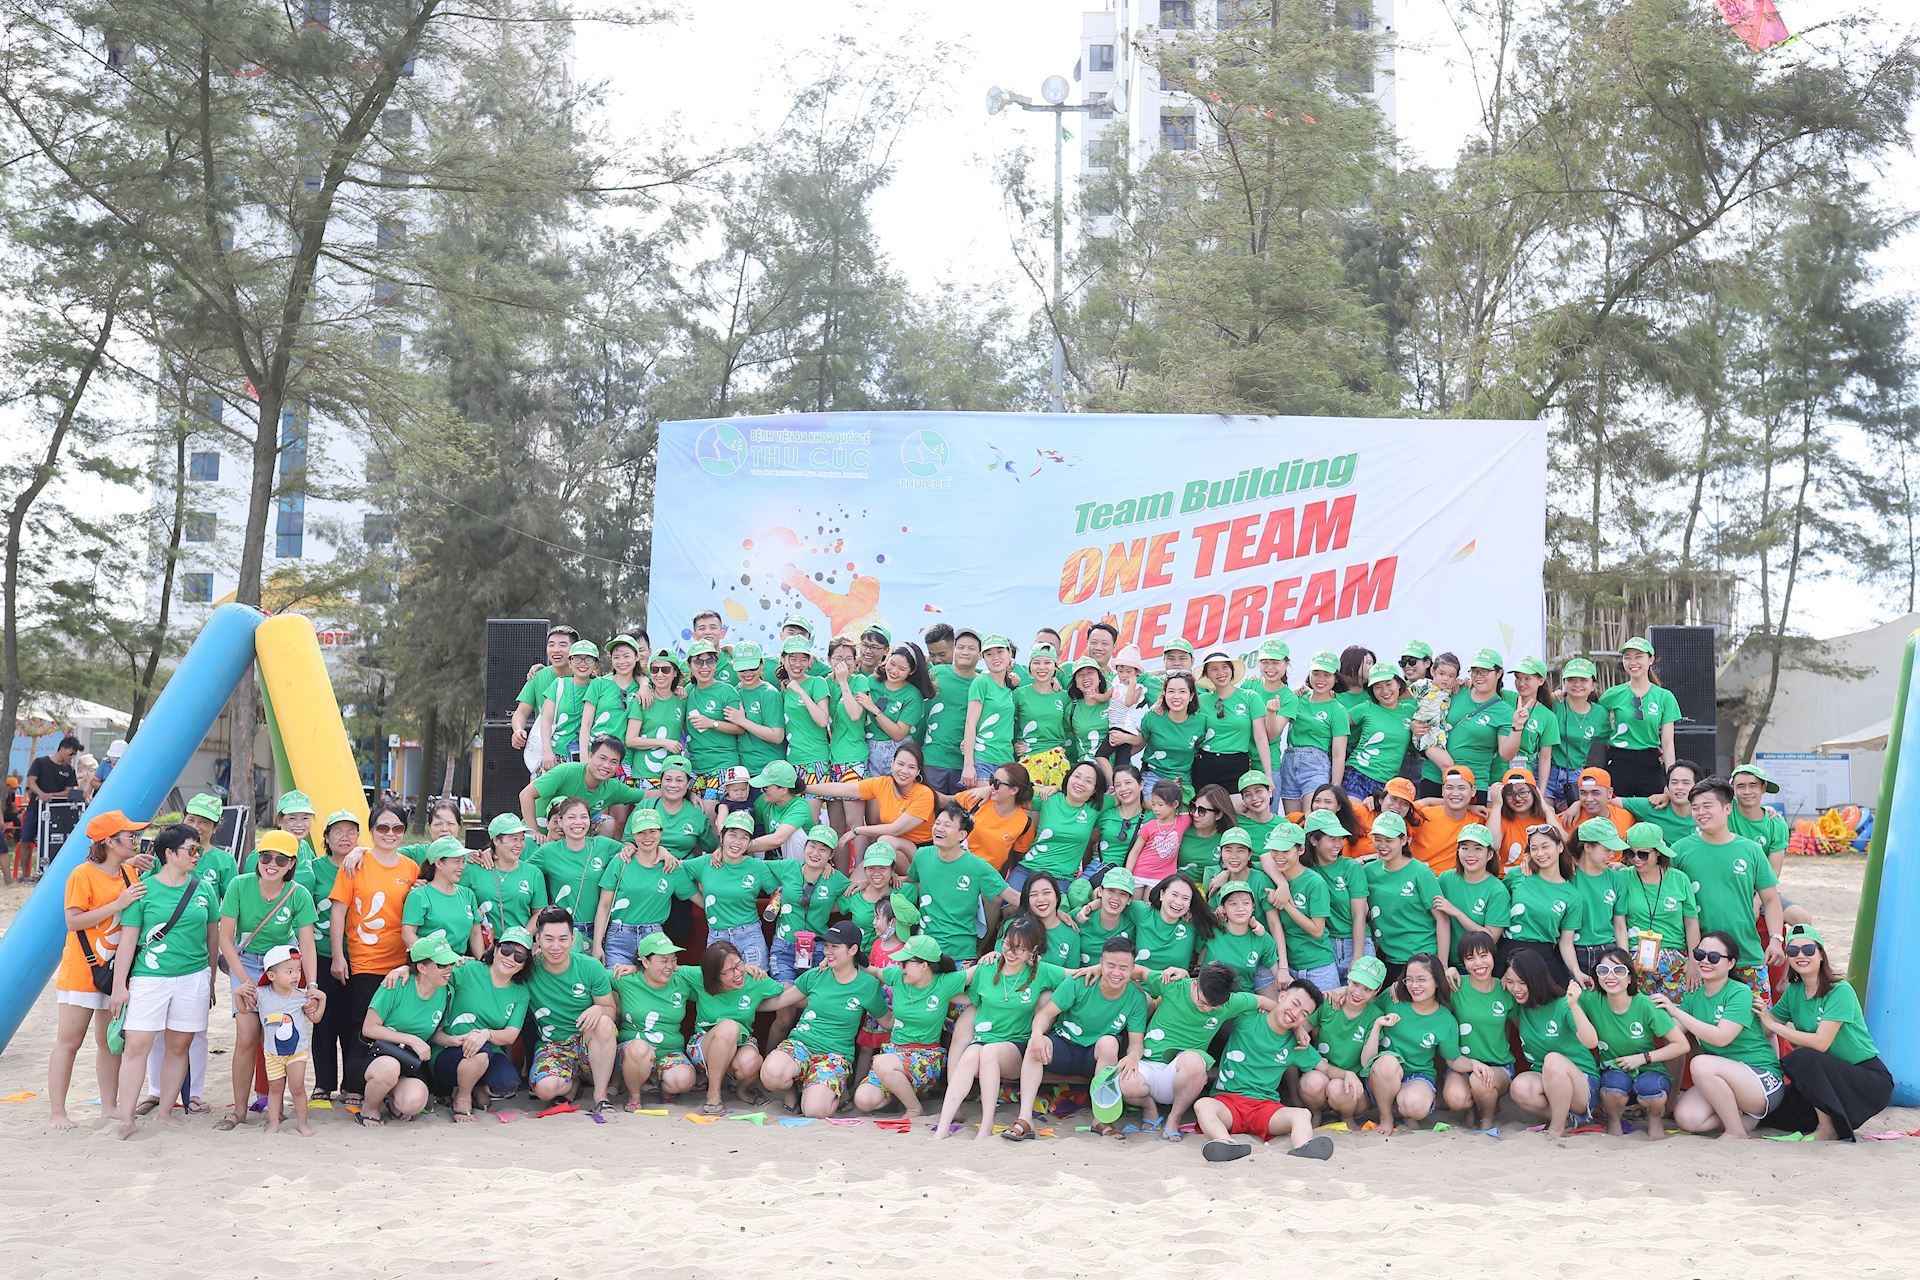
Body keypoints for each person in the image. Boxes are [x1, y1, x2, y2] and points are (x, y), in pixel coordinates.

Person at [107, 823, 218, 1140]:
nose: (197, 855)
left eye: (198, 849)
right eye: (191, 849)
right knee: (137, 1045)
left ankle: (167, 1111)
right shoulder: (143, 890)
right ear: (169, 853)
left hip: (194, 976)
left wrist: (210, 979)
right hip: (150, 978)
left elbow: (212, 937)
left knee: (179, 1046)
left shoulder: (204, 889)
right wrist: (119, 987)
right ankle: (126, 1118)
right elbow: (128, 941)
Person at [48, 810, 150, 1131]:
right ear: (109, 841)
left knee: (109, 1042)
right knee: (69, 1042)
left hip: (115, 974)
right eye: (129, 836)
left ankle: (109, 1106)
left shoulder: (129, 873)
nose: (135, 840)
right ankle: (57, 1112)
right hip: (82, 970)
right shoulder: (82, 875)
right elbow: (73, 921)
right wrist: (118, 903)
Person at [216, 829, 320, 1130]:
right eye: (266, 857)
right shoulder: (239, 885)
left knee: (282, 1033)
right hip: (246, 962)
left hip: (283, 965)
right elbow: (225, 939)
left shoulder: (298, 894)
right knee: (246, 1035)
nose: (271, 864)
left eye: (280, 859)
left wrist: (311, 985)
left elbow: (307, 944)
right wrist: (243, 980)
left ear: (292, 864)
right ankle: (239, 1110)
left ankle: (277, 1105)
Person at [1756, 923, 1893, 1141]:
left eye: (1808, 949)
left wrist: (1775, 1027)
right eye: (1793, 950)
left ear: (1821, 954)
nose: (1801, 955)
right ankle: (1828, 1121)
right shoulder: (1794, 991)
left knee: (1802, 1057)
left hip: (1865, 1078)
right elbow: (1764, 1027)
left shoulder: (1840, 990)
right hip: (1825, 1080)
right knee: (1772, 1112)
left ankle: (1827, 1129)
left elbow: (1821, 1043)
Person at [327, 800, 419, 1111]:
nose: (390, 833)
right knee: (360, 1025)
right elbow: (338, 912)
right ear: (371, 830)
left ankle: (389, 1085)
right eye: (382, 827)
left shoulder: (410, 868)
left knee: (395, 1025)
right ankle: (355, 1086)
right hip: (365, 962)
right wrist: (338, 956)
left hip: (400, 964)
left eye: (397, 828)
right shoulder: (354, 864)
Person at [1011, 936, 1149, 1139]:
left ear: (1132, 969)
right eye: (1111, 965)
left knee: (1110, 1042)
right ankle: (1024, 1119)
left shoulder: (1136, 997)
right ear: (1100, 963)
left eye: (1123, 968)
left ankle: (1101, 1119)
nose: (1116, 973)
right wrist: (1037, 1034)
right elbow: (1045, 1015)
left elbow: (1136, 1042)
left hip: (1096, 1057)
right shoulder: (1080, 982)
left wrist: (1133, 1056)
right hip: (1065, 1045)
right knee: (1036, 1043)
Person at [1123, 961, 1275, 1139]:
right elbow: (1140, 971)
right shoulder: (1174, 985)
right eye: (1203, 1002)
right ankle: (1149, 1108)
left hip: (1180, 1076)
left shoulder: (1230, 1003)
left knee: (1194, 1061)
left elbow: (1264, 1002)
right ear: (1195, 985)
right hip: (1147, 1067)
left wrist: (1298, 1029)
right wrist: (1099, 968)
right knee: (1125, 1083)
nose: (1208, 1008)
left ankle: (1174, 1119)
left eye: (1214, 1006)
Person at [1661, 929, 1784, 1140]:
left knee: (1700, 1063)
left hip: (1761, 1080)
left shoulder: (1739, 992)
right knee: (1687, 1118)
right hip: (1721, 1078)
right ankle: (1745, 1120)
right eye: (1700, 955)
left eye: (1714, 957)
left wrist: (1676, 1011)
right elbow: (1672, 1033)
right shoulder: (1693, 997)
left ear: (1731, 963)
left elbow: (1721, 1037)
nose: (1705, 961)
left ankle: (1735, 1131)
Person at [1196, 981, 1335, 1163]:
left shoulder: (1297, 1043)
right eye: (1295, 1004)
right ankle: (1225, 1143)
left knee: (1302, 1115)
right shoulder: (1247, 1016)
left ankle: (1303, 1148)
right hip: (1229, 1102)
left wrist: (1348, 1075)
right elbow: (1227, 1000)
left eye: (1304, 1014)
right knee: (1203, 1105)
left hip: (1265, 1108)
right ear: (1282, 996)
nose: (1296, 1014)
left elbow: (1325, 1068)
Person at [1670, 776, 1783, 999]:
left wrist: (1776, 939)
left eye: (1707, 806)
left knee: (1759, 1017)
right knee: (1699, 1018)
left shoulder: (1751, 850)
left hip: (1747, 955)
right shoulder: (1679, 851)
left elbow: (1770, 900)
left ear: (1727, 808)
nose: (1700, 812)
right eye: (1695, 807)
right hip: (1701, 960)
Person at [760, 919, 887, 1118]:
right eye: (827, 946)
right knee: (770, 1074)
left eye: (835, 947)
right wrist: (741, 1006)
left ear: (853, 950)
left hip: (835, 1054)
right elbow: (780, 1001)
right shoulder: (815, 975)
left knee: (814, 1110)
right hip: (801, 1044)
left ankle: (834, 1089)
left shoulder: (868, 985)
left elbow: (887, 1021)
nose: (828, 951)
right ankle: (792, 1092)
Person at [1570, 944, 1688, 1139]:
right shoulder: (1590, 1000)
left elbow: (1681, 1045)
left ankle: (1655, 1119)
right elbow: (1562, 1005)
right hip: (1613, 1070)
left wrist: (1642, 1058)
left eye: (1619, 970)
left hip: (1648, 1068)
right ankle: (1614, 1120)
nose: (1610, 976)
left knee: (1651, 1089)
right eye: (1603, 970)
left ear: (1630, 977)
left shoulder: (1645, 1004)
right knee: (1613, 1088)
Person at [854, 934, 971, 1118]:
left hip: (925, 1056)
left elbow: (981, 972)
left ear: (924, 965)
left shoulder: (944, 982)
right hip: (894, 1052)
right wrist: (854, 956)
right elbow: (874, 971)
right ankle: (900, 1094)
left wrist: (993, 956)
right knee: (863, 1100)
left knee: (882, 1062)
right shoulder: (897, 976)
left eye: (905, 963)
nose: (900, 967)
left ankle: (914, 1109)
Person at [525, 906, 618, 1114]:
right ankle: (572, 1083)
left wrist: (599, 1009)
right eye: (549, 939)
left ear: (572, 939)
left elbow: (611, 1010)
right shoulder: (528, 969)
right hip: (554, 1045)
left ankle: (600, 1096)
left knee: (604, 1023)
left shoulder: (590, 967)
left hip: (587, 1042)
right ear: (538, 939)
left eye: (563, 939)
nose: (556, 946)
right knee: (545, 1090)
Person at [358, 936, 459, 1125]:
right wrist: (412, 1039)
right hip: (378, 1056)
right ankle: (369, 1108)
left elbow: (434, 1033)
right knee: (389, 1068)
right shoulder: (396, 983)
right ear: (422, 967)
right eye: (442, 965)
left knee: (414, 1102)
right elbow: (369, 1028)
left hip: (410, 1061)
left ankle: (391, 1100)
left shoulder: (447, 992)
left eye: (451, 963)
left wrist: (454, 1040)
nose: (449, 969)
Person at [1361, 952, 1465, 1135]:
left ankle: (1403, 1110)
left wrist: (1477, 1065)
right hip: (1383, 1074)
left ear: (1437, 981)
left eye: (1421, 979)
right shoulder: (1393, 997)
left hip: (1417, 1075)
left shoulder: (1445, 1019)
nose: (1414, 985)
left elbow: (1452, 1059)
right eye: (1409, 979)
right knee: (1388, 1063)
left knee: (1414, 1106)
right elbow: (1363, 1005)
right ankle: (1386, 1117)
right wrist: (1341, 992)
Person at [437, 925, 533, 1120]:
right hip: (451, 1047)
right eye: (506, 950)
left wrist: (486, 1034)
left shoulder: (521, 992)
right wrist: (405, 968)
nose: (510, 958)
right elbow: (433, 976)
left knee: (507, 1084)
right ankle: (463, 1098)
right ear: (495, 949)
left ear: (524, 964)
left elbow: (511, 1034)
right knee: (480, 1053)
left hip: (490, 1049)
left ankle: (476, 1086)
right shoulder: (468, 969)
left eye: (519, 956)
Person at [1504, 948, 1600, 1138]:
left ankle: (1556, 1128)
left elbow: (1591, 1042)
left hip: (1582, 1084)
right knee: (1519, 1087)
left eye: (1522, 982)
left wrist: (1574, 1006)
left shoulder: (1563, 1003)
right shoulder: (1518, 1005)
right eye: (1510, 982)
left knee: (1553, 1060)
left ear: (1536, 979)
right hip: (1546, 1081)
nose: (1516, 988)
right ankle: (1567, 1118)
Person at [689, 940, 792, 1114]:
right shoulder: (698, 976)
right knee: (729, 1026)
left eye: (739, 965)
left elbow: (785, 994)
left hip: (741, 1041)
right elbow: (668, 969)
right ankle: (713, 1093)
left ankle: (742, 1090)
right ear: (713, 974)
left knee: (751, 1062)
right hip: (704, 1044)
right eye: (729, 971)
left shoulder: (754, 979)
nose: (737, 974)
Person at [909, 803, 1019, 962]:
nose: (939, 828)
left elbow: (1013, 896)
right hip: (924, 949)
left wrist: (1050, 907)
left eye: (947, 825)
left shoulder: (978, 866)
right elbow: (910, 881)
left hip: (961, 953)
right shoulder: (922, 855)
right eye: (937, 823)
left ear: (962, 835)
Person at [607, 933, 700, 1108]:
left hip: (669, 1051)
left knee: (684, 1080)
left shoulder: (681, 980)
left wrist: (746, 969)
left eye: (673, 960)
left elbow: (714, 973)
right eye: (664, 961)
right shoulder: (625, 979)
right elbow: (591, 975)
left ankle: (664, 1088)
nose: (670, 966)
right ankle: (634, 1096)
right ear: (645, 962)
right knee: (639, 1048)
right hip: (632, 1053)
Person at [592, 809, 693, 969]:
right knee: (616, 979)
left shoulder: (671, 866)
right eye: (641, 832)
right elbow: (604, 906)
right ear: (633, 835)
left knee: (656, 980)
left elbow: (697, 897)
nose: (647, 837)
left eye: (652, 831)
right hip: (619, 934)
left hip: (654, 935)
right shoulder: (621, 861)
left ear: (661, 832)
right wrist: (597, 945)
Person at [307, 810, 361, 1102]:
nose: (344, 837)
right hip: (323, 955)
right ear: (326, 837)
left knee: (355, 1021)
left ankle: (351, 1083)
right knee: (324, 1020)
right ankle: (323, 1084)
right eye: (337, 831)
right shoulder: (314, 869)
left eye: (351, 831)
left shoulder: (366, 864)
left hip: (360, 956)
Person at [1418, 648, 1515, 803]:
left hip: (1472, 784)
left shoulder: (1505, 711)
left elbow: (1506, 754)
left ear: (1499, 673)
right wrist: (1414, 725)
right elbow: (1424, 708)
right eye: (1475, 671)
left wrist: (1518, 728)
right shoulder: (1456, 689)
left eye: (1485, 671)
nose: (1479, 675)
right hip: (1434, 777)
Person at [1298, 955, 1386, 1124]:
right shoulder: (1328, 1003)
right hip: (1322, 1071)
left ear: (1377, 990)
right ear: (1349, 978)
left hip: (1353, 1087)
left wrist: (1376, 1027)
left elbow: (1366, 1061)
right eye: (1355, 984)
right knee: (1312, 1082)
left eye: (1367, 989)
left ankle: (1347, 1118)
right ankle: (1316, 1114)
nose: (1358, 993)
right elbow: (1301, 1029)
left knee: (1338, 1089)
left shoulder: (1374, 1015)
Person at [1616, 821, 1699, 1001]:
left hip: (1675, 959)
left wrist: (1694, 963)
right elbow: (1619, 924)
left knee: (1675, 1012)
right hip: (1635, 958)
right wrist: (1624, 962)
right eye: (1630, 853)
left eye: (1643, 854)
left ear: (1659, 852)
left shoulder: (1679, 879)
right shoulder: (1622, 877)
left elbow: (1691, 924)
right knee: (1640, 1013)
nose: (1636, 859)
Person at [1442, 931, 1516, 1129]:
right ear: (1463, 962)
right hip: (1463, 1064)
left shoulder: (1505, 989)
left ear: (1493, 956)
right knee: (1455, 1098)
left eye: (1484, 955)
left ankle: (1487, 1119)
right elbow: (1424, 988)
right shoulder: (1456, 986)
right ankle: (1471, 1110)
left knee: (1480, 1080)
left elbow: (1521, 1025)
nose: (1478, 963)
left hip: (1498, 1065)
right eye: (1470, 958)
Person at [1284, 809, 1367, 980]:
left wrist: (1357, 957)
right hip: (1326, 945)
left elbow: (1359, 915)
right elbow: (1267, 858)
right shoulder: (1304, 869)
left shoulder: (1350, 867)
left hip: (1355, 942)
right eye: (1332, 839)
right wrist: (1281, 884)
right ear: (1313, 840)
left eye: (1340, 839)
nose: (1338, 844)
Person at [685, 811, 776, 968]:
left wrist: (773, 908)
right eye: (732, 835)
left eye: (744, 838)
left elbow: (777, 890)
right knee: (718, 981)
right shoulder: (705, 863)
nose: (737, 842)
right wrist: (700, 900)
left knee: (755, 980)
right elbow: (676, 872)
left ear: (749, 842)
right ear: (722, 836)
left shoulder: (757, 866)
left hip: (750, 935)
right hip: (717, 936)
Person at [1362, 812, 1440, 985]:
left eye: (1389, 840)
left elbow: (1442, 919)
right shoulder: (1368, 871)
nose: (1382, 845)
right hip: (1387, 958)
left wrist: (1441, 964)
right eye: (1377, 839)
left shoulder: (1421, 872)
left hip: (1422, 957)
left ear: (1404, 840)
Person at [253, 944, 324, 1136]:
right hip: (272, 1053)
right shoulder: (262, 994)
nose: (296, 976)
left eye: (298, 970)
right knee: (275, 1088)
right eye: (289, 971)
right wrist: (237, 993)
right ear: (271, 975)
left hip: (296, 1052)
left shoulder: (302, 996)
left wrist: (323, 999)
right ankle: (273, 1124)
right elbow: (244, 1009)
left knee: (297, 1087)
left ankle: (303, 1124)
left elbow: (315, 1018)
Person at [1501, 822, 1581, 988]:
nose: (1540, 853)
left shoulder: (1572, 895)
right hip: (1509, 951)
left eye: (1545, 847)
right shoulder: (1518, 875)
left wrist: (1576, 971)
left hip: (1543, 955)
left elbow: (1566, 942)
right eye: (1534, 848)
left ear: (1560, 847)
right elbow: (1496, 903)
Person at [1596, 636, 1680, 797]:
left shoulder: (1665, 697)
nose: (1632, 662)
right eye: (1627, 657)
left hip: (1650, 762)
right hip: (1619, 760)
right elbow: (1592, 717)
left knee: (1654, 807)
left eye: (1638, 657)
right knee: (1616, 808)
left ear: (1651, 660)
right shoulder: (1613, 694)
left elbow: (1668, 742)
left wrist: (1672, 779)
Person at [521, 735, 645, 840]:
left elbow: (645, 795)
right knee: (564, 803)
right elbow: (526, 794)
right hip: (539, 833)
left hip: (571, 837)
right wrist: (534, 832)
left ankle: (592, 859)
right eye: (602, 758)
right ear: (590, 756)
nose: (606, 765)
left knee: (607, 823)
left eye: (613, 762)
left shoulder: (613, 787)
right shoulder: (567, 771)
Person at [1264, 821, 1339, 990]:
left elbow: (1317, 930)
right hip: (1290, 967)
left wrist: (1286, 904)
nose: (1278, 856)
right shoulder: (1274, 875)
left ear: (1301, 850)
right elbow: (1263, 858)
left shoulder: (1314, 882)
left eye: (1286, 851)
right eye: (1275, 850)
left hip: (1318, 967)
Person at [463, 814, 549, 953]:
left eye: (522, 839)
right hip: (480, 947)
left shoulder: (533, 873)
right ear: (496, 840)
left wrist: (520, 940)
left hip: (520, 948)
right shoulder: (473, 868)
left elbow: (539, 912)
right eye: (513, 839)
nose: (519, 845)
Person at [1015, 759, 1105, 892]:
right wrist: (989, 789)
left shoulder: (1095, 807)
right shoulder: (1049, 797)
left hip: (1061, 878)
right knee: (1007, 902)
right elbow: (1012, 796)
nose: (1080, 783)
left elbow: (1124, 796)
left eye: (1088, 781)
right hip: (1028, 868)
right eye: (1077, 776)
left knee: (1050, 905)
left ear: (1094, 790)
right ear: (1068, 778)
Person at [1193, 650, 1273, 795]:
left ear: (1232, 669)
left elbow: (1261, 738)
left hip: (1237, 766)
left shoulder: (1250, 697)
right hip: (1205, 765)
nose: (1220, 673)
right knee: (1205, 809)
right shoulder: (1201, 700)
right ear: (1207, 674)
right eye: (1214, 669)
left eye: (1224, 667)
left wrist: (1268, 775)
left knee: (1237, 808)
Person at [1279, 651, 1349, 811]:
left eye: (1327, 675)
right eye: (1316, 673)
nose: (1320, 679)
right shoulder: (1297, 699)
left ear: (1336, 678)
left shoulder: (1338, 710)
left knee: (1313, 818)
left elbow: (1339, 754)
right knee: (1293, 821)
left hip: (1316, 766)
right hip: (1289, 762)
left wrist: (1334, 788)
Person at [1434, 823, 1508, 966]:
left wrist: (1457, 913)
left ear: (1490, 854)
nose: (1470, 854)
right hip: (1444, 962)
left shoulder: (1497, 890)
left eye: (1478, 849)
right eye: (1464, 848)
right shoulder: (1446, 878)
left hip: (1477, 966)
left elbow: (1490, 938)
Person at [681, 639, 745, 803]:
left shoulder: (726, 691)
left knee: (711, 811)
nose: (705, 667)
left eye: (710, 661)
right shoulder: (687, 691)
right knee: (694, 812)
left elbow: (740, 728)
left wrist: (712, 723)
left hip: (722, 764)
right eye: (698, 662)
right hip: (695, 767)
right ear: (689, 665)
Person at [1343, 662, 1417, 802]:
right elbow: (1336, 724)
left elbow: (1438, 699)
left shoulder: (1411, 710)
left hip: (1388, 784)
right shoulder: (1366, 708)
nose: (1385, 691)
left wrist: (1459, 684)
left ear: (1399, 684)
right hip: (1357, 773)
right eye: (1378, 686)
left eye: (1389, 684)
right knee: (1356, 812)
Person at [401, 837, 483, 960]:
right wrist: (438, 960)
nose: (462, 866)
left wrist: (480, 962)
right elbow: (408, 934)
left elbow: (475, 933)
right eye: (457, 861)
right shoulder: (419, 895)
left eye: (463, 861)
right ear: (439, 863)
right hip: (430, 964)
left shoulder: (468, 894)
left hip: (461, 963)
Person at [921, 628, 983, 793]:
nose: (965, 652)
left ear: (980, 654)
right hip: (933, 759)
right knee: (929, 806)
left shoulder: (984, 683)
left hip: (965, 764)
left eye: (971, 648)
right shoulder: (937, 672)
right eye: (960, 647)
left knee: (962, 809)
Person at [1568, 818, 1629, 981]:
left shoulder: (1617, 879)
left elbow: (1620, 926)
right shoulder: (1567, 876)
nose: (1612, 855)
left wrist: (1624, 962)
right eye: (1607, 850)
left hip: (1608, 951)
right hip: (1573, 950)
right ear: (1587, 847)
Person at [861, 642, 933, 778]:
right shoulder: (871, 681)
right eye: (892, 663)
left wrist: (874, 709)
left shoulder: (912, 695)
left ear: (911, 671)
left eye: (902, 669)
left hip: (897, 751)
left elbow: (899, 734)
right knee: (871, 790)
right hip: (868, 747)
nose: (894, 671)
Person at [1125, 671, 1203, 794]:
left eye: (1182, 691)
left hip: (1183, 780)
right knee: (1155, 804)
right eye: (1171, 691)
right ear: (1164, 694)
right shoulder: (1152, 717)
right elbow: (1140, 743)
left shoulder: (1201, 721)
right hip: (1153, 776)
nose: (1176, 696)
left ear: (1191, 696)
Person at [956, 761, 1037, 875]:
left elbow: (1017, 857)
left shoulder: (1024, 823)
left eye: (997, 783)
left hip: (988, 876)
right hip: (959, 865)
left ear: (1014, 790)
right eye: (992, 780)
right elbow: (945, 802)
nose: (992, 786)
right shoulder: (978, 799)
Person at [18, 734, 81, 880]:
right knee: (26, 838)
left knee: (52, 840)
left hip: (57, 811)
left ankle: (49, 872)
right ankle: (25, 874)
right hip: (35, 807)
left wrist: (52, 795)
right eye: (71, 753)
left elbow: (69, 791)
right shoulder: (40, 762)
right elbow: (31, 782)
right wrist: (41, 794)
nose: (71, 757)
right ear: (63, 749)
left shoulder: (69, 770)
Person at [510, 624, 576, 762]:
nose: (556, 650)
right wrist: (518, 730)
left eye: (563, 645)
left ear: (574, 648)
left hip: (577, 752)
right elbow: (520, 713)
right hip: (544, 754)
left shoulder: (586, 679)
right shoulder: (537, 677)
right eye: (551, 645)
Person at [1204, 881, 1284, 992]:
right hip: (1209, 993)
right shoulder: (1211, 930)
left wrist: (1283, 972)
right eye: (1233, 904)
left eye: (1246, 903)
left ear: (1253, 906)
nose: (1240, 908)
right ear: (1223, 908)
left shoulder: (1262, 937)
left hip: (1243, 998)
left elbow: (1277, 974)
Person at [1548, 658, 1607, 806]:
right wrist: (1550, 696)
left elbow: (1610, 740)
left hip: (1575, 776)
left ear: (1593, 685)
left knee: (1574, 817)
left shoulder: (1600, 713)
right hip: (1547, 772)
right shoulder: (1554, 704)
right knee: (1545, 815)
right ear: (1564, 683)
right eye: (1571, 680)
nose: (1577, 684)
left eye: (1583, 680)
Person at [625, 647, 688, 784]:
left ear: (675, 673)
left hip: (673, 776)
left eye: (665, 670)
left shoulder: (681, 699)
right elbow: (630, 740)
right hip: (645, 775)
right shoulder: (642, 699)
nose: (659, 674)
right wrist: (664, 742)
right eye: (655, 670)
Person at [1012, 642, 1071, 789]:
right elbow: (1006, 723)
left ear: (1055, 666)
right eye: (1036, 662)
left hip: (1057, 759)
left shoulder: (1064, 696)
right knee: (1030, 801)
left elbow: (1071, 727)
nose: (1042, 667)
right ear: (1030, 667)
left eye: (1047, 662)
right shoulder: (1019, 694)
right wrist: (1015, 744)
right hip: (1029, 757)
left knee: (1055, 800)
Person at [1407, 765, 1481, 874]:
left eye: (1461, 788)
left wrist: (1468, 806)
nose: (1455, 793)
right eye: (1449, 788)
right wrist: (1427, 800)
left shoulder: (1478, 820)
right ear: (1442, 790)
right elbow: (1403, 809)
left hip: (1452, 880)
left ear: (1473, 791)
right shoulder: (1423, 814)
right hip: (1419, 876)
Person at [1124, 779, 1190, 898]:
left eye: (1160, 804)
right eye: (1153, 804)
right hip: (1140, 872)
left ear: (1175, 804)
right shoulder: (1149, 826)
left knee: (1149, 905)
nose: (1155, 809)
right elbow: (1135, 851)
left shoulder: (1182, 821)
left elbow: (1193, 808)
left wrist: (1175, 788)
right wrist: (1127, 873)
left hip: (1161, 877)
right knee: (1134, 905)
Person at [1502, 657, 1561, 783]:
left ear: (1541, 681)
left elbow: (1545, 758)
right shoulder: (1504, 698)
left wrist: (1541, 791)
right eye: (1518, 678)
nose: (1521, 683)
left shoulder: (1548, 716)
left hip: (1523, 778)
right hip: (1496, 774)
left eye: (1527, 678)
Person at [1622, 759, 1701, 847]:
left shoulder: (1706, 812)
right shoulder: (1653, 806)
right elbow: (1612, 801)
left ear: (1697, 786)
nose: (1679, 787)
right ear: (1667, 786)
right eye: (1674, 782)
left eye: (1686, 783)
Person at [1486, 771, 1553, 873]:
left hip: (1538, 875)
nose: (1517, 798)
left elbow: (1564, 844)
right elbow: (1492, 845)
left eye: (1523, 793)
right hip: (1506, 877)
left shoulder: (1546, 817)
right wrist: (1496, 806)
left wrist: (1547, 811)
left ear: (1534, 792)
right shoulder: (1497, 816)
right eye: (1510, 794)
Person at [1555, 767, 1634, 842]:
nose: (1589, 799)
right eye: (1583, 793)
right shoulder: (1567, 819)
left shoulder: (1626, 817)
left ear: (1610, 793)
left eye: (1596, 793)